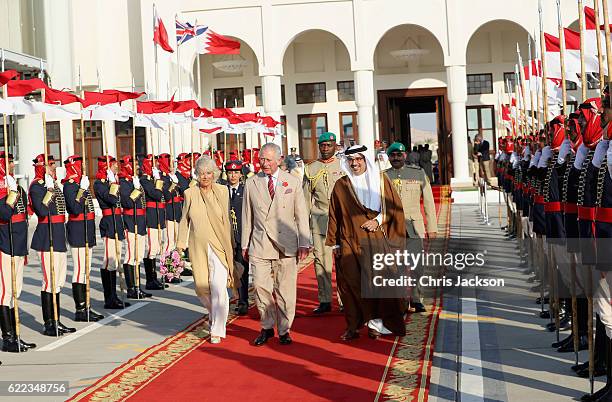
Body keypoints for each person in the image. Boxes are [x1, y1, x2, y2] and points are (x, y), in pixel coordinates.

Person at [326, 144, 407, 341]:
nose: (355, 164)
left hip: (374, 238)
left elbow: (394, 207)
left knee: (376, 281)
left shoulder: (380, 180)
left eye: (359, 160)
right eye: (351, 160)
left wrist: (377, 220)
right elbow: (334, 215)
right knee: (351, 284)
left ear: (365, 160)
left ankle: (376, 324)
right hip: (348, 240)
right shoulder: (341, 185)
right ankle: (353, 325)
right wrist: (335, 244)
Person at [241, 143, 310, 346]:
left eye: (269, 160)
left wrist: (304, 242)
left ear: (279, 160)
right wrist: (245, 244)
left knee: (285, 290)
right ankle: (266, 326)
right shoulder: (252, 183)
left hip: (286, 244)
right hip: (260, 243)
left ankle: (284, 329)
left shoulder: (293, 182)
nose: (264, 164)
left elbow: (301, 215)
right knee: (262, 288)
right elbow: (247, 216)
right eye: (261, 159)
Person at [177, 156, 235, 344]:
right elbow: (184, 220)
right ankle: (213, 312)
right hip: (198, 247)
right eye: (201, 173)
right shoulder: (189, 193)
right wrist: (180, 244)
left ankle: (217, 328)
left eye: (209, 173)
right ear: (197, 175)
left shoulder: (223, 191)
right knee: (202, 287)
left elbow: (226, 219)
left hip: (219, 245)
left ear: (215, 174)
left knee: (219, 288)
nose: (205, 177)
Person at [386, 142, 437, 313]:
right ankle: (401, 300)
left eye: (399, 155)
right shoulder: (383, 177)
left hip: (414, 226)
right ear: (388, 157)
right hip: (393, 228)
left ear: (405, 156)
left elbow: (429, 202)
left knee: (417, 265)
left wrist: (432, 227)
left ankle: (416, 298)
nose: (396, 158)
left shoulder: (418, 173)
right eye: (392, 155)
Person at [29, 154, 76, 336]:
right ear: (42, 167)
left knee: (58, 281)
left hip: (58, 235)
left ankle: (56, 319)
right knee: (49, 281)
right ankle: (49, 323)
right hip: (46, 236)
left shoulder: (54, 184)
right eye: (50, 165)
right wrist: (48, 190)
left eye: (54, 165)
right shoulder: (37, 186)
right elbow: (41, 210)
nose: (54, 168)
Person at [304, 131, 345, 314]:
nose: (326, 148)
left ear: (335, 146)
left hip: (342, 220)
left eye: (329, 145)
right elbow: (305, 200)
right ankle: (325, 300)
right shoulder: (310, 169)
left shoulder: (345, 165)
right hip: (320, 219)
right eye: (323, 145)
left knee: (344, 262)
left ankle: (345, 300)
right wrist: (303, 227)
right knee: (321, 261)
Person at [0, 152, 36, 351]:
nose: (12, 165)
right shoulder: (4, 190)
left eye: (12, 161)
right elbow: (4, 213)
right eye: (8, 162)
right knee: (5, 293)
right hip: (5, 244)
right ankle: (8, 339)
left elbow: (24, 217)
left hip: (19, 244)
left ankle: (16, 336)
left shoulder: (17, 188)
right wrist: (11, 193)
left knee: (16, 292)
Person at [62, 155, 104, 321]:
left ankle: (87, 306)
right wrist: (81, 189)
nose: (82, 167)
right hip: (78, 231)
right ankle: (80, 309)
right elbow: (75, 208)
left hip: (86, 230)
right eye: (80, 164)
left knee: (85, 271)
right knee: (79, 271)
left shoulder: (79, 184)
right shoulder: (69, 186)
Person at [93, 156, 130, 309]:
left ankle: (114, 296)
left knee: (115, 260)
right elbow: (111, 199)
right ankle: (109, 298)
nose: (117, 167)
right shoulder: (99, 183)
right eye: (114, 165)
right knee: (109, 261)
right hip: (109, 223)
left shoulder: (113, 180)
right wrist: (113, 185)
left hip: (117, 221)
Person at [118, 155, 151, 299]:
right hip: (131, 221)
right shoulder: (123, 182)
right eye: (135, 164)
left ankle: (137, 286)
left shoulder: (133, 180)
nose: (137, 166)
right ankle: (132, 288)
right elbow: (127, 202)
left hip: (140, 220)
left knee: (138, 256)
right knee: (131, 256)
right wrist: (136, 189)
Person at [140, 154, 167, 290]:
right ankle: (150, 280)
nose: (157, 166)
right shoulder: (145, 180)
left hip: (158, 216)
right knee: (151, 249)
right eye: (154, 164)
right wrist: (157, 180)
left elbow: (164, 195)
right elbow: (156, 194)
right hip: (150, 217)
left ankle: (155, 278)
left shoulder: (153, 179)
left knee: (157, 248)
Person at [225, 160, 248, 315]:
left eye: (236, 172)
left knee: (241, 270)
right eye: (230, 172)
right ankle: (230, 297)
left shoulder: (245, 190)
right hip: (226, 236)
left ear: (241, 174)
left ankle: (243, 300)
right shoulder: (222, 190)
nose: (233, 175)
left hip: (241, 236)